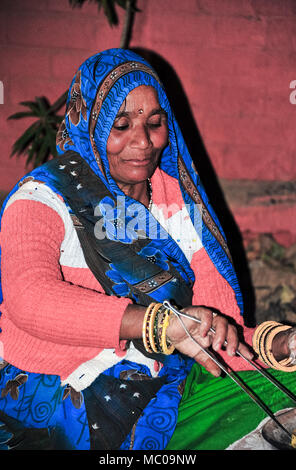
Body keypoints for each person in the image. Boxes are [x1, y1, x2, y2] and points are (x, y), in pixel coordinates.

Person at [0, 48, 295, 451]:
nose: (142, 143)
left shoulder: (176, 199)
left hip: (164, 382)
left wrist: (279, 345)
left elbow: (210, 328)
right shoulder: (42, 199)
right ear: (89, 122)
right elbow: (29, 299)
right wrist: (158, 325)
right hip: (58, 393)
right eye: (120, 125)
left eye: (155, 123)